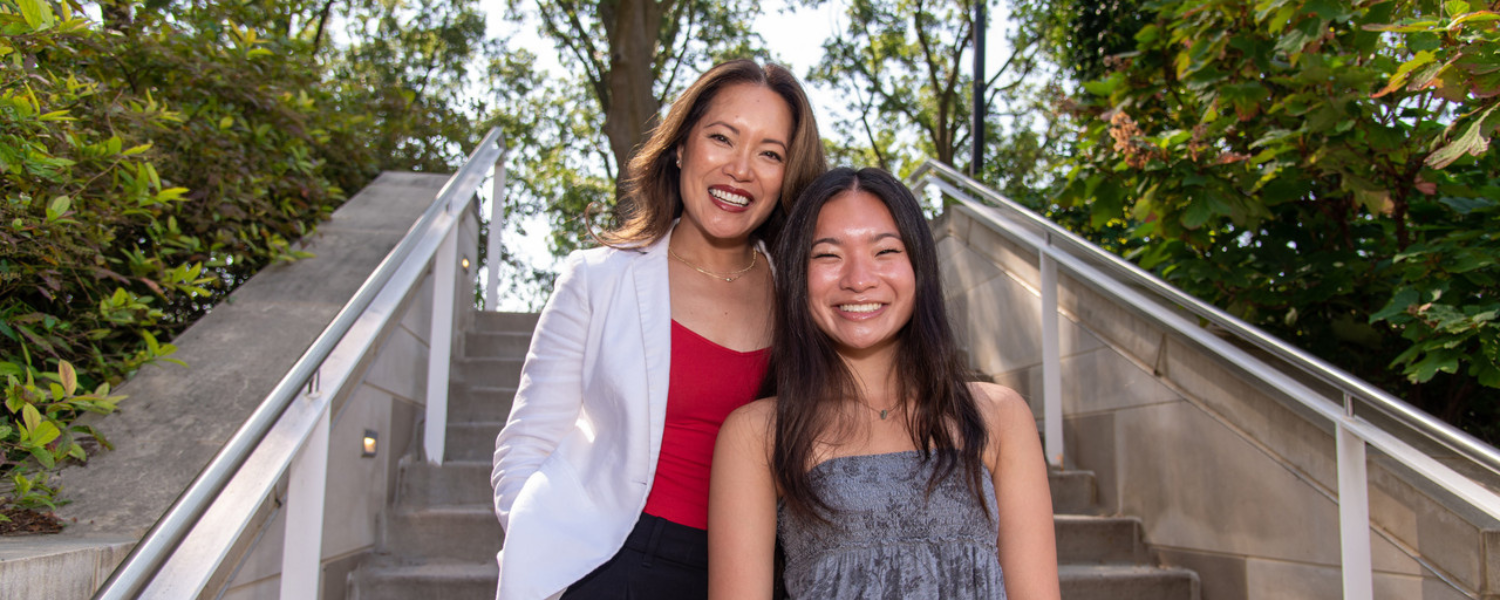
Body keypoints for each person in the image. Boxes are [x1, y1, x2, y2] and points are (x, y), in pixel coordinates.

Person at [490, 59, 827, 600]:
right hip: (615, 564)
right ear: (680, 146)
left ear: (788, 177)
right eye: (722, 138)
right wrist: (541, 543)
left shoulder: (807, 298)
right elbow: (526, 444)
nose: (741, 168)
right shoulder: (599, 279)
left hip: (763, 571)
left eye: (770, 153)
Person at [707, 168, 1061, 600]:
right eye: (827, 255)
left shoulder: (999, 415)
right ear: (799, 278)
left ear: (918, 267)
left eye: (884, 251)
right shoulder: (758, 433)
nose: (858, 279)